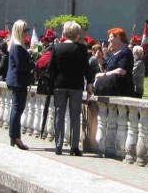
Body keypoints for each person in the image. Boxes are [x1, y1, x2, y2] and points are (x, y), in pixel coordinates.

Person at [49, 20, 93, 155]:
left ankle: (58, 145)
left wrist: (52, 84)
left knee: (59, 114)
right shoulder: (82, 49)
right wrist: (90, 84)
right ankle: (74, 146)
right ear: (77, 34)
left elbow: (51, 68)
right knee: (75, 116)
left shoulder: (57, 48)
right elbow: (87, 69)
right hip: (76, 86)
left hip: (60, 85)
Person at [4, 20, 34, 149]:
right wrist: (33, 64)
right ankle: (15, 137)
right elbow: (21, 65)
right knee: (17, 109)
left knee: (17, 108)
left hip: (17, 80)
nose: (27, 33)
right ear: (19, 32)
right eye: (25, 31)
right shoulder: (17, 47)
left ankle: (14, 136)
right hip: (18, 81)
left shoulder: (16, 46)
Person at [94, 28, 134, 96]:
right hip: (112, 90)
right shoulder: (114, 54)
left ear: (118, 37)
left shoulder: (125, 52)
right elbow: (106, 68)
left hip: (122, 91)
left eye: (110, 37)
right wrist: (100, 59)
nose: (108, 40)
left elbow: (121, 71)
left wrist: (103, 75)